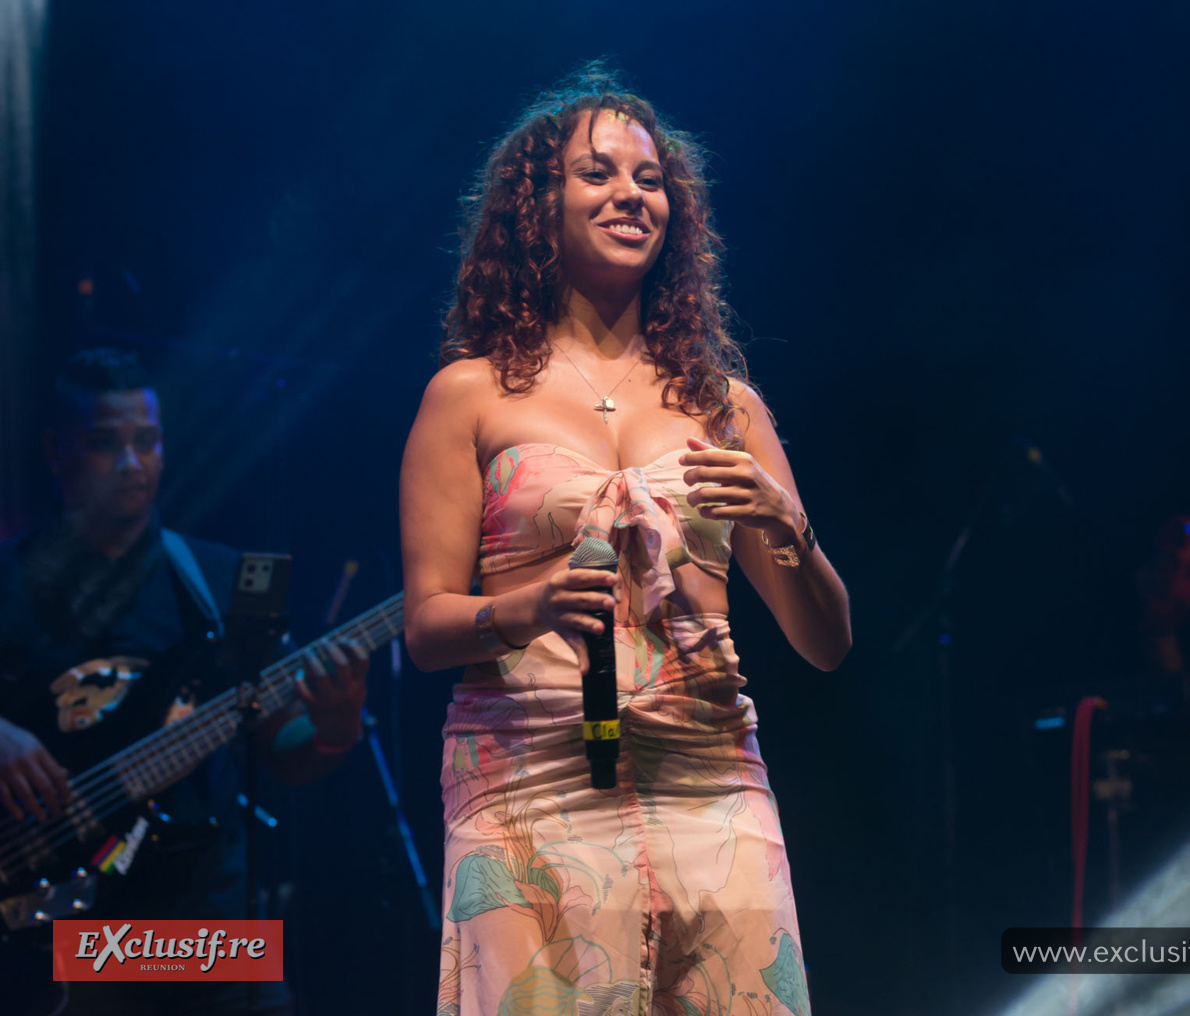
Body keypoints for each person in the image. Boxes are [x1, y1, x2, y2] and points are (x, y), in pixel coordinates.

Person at [400, 64, 851, 1014]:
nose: (629, 196)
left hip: (707, 768)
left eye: (649, 180)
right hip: (534, 770)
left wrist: (790, 528)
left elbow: (825, 643)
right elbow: (428, 627)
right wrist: (522, 608)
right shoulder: (470, 395)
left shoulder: (725, 405)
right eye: (597, 173)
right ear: (539, 206)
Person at [0, 348, 370, 1016]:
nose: (132, 461)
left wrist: (336, 728)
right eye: (105, 443)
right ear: (57, 452)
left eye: (147, 440)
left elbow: (280, 753)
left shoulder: (217, 580)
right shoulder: (7, 584)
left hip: (208, 930)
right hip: (53, 931)